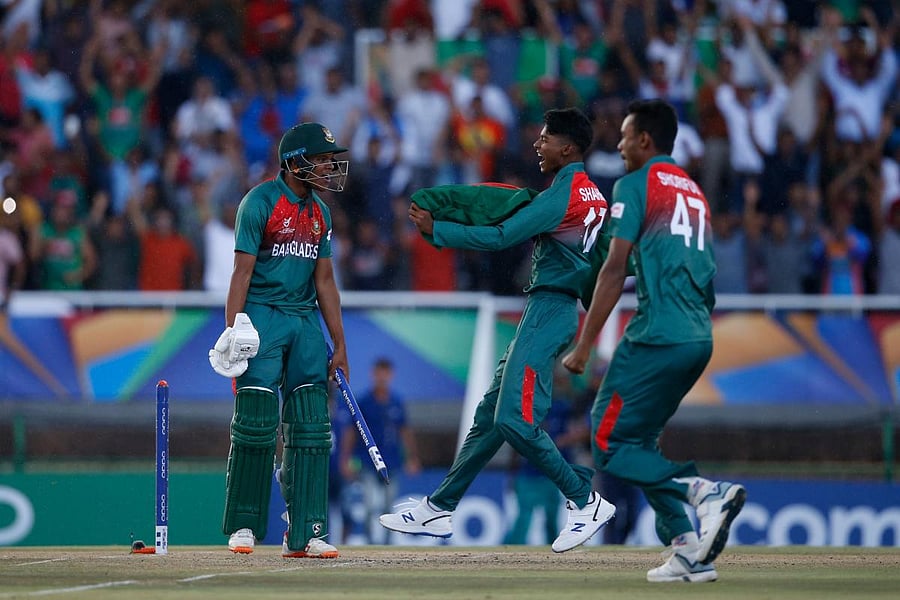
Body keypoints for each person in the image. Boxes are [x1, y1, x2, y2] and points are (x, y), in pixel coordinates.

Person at [379, 107, 615, 553]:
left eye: (545, 138)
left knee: (514, 419)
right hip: (552, 311)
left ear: (568, 148)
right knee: (490, 417)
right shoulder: (595, 197)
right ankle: (439, 506)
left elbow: (500, 237)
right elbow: (603, 264)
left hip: (548, 312)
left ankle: (585, 500)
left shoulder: (561, 196)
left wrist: (438, 229)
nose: (537, 144)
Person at [561, 99, 746, 583]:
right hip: (698, 337)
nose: (618, 145)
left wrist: (584, 345)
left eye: (624, 136)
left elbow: (614, 268)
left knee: (605, 436)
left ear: (645, 140)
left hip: (656, 333)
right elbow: (707, 278)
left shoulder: (634, 185)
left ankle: (704, 492)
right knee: (639, 440)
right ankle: (688, 551)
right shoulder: (695, 192)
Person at [208, 121, 352, 559]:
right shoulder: (260, 203)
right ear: (295, 162)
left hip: (305, 319)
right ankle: (245, 525)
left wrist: (340, 344)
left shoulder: (321, 215)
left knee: (311, 427)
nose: (330, 167)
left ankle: (306, 531)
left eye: (331, 160)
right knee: (255, 424)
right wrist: (234, 327)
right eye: (323, 160)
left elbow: (325, 282)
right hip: (263, 318)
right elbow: (241, 273)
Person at [338, 357, 420, 544]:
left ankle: (387, 542)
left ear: (391, 375)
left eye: (386, 373)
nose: (382, 377)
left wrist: (412, 458)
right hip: (368, 461)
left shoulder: (397, 402)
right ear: (373, 374)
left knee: (388, 506)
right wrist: (345, 459)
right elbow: (352, 431)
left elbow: (405, 431)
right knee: (368, 504)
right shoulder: (364, 402)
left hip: (391, 461)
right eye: (379, 373)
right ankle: (370, 542)